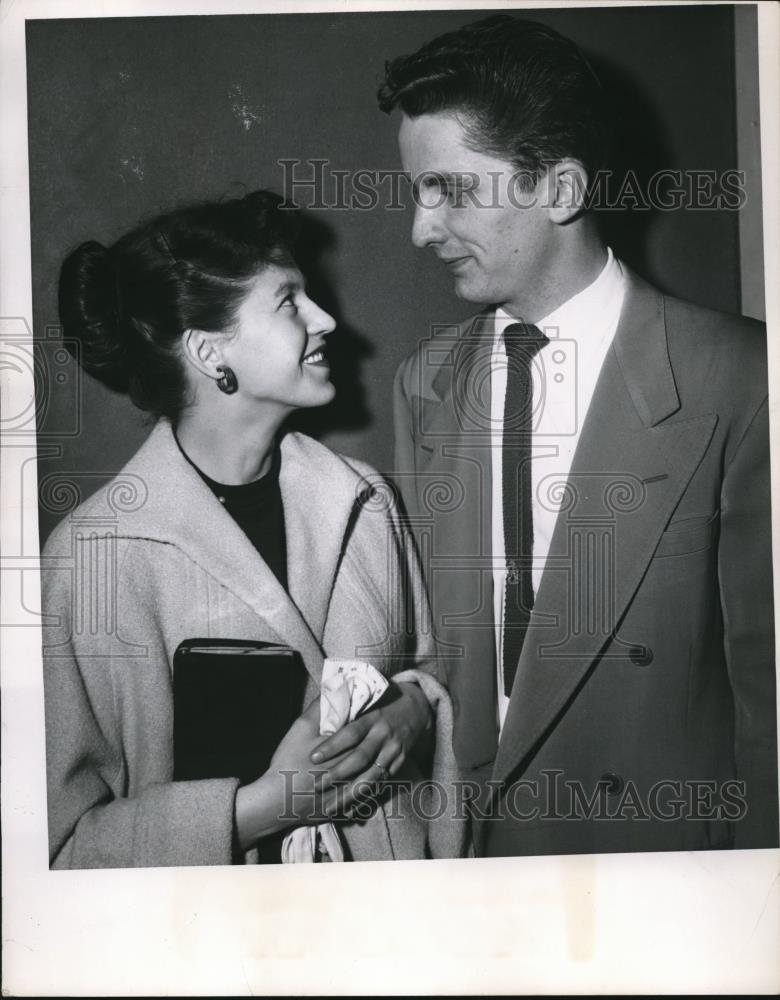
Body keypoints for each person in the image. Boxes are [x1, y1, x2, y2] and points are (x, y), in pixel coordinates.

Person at [379, 15, 778, 855]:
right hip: (478, 872)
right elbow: (439, 644)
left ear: (560, 190)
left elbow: (767, 703)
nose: (418, 230)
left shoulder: (742, 376)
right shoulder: (423, 383)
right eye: (417, 192)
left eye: (449, 190)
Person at [43, 189, 468, 868]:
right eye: (290, 301)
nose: (327, 320)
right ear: (211, 353)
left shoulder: (364, 501)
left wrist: (410, 713)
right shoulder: (91, 557)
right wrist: (272, 805)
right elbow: (60, 853)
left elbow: (428, 674)